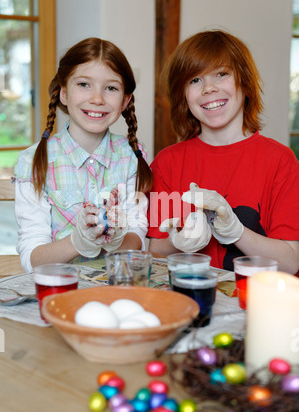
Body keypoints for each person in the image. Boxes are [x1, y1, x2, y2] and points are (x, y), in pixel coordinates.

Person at [147, 30, 299, 275]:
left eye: (221, 74)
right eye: (194, 80)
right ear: (183, 96)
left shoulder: (281, 161)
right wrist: (178, 242)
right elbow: (155, 253)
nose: (209, 88)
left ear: (246, 83)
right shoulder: (167, 163)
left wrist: (236, 231)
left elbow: (290, 263)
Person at [14, 37, 153, 273]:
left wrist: (116, 238)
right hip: (59, 290)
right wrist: (79, 241)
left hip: (115, 286)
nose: (97, 99)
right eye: (84, 85)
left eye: (111, 88)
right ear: (64, 93)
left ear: (125, 101)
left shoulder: (132, 156)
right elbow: (32, 259)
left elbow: (136, 237)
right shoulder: (34, 161)